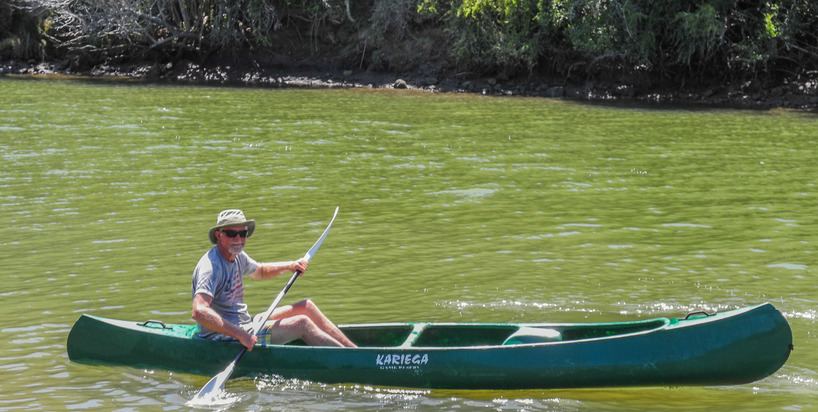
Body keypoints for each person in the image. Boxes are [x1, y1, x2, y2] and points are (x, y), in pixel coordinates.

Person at [191, 209, 356, 349]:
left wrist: (290, 265)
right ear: (219, 235)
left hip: (246, 324)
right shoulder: (211, 267)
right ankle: (352, 362)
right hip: (221, 336)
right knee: (302, 323)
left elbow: (261, 271)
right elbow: (199, 311)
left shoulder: (238, 256)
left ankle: (355, 352)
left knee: (307, 306)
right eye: (232, 233)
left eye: (242, 233)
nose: (238, 239)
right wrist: (241, 335)